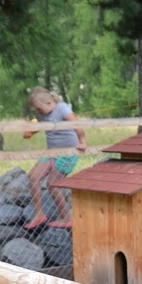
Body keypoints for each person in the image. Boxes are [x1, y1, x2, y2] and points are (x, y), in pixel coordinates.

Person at [23, 86, 87, 229]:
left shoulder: (62, 108)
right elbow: (40, 125)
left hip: (68, 152)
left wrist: (82, 142)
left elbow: (77, 125)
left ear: (49, 103)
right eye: (37, 110)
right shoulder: (40, 113)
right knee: (33, 177)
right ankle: (39, 213)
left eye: (39, 109)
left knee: (52, 184)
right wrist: (30, 133)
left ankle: (66, 217)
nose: (38, 112)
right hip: (51, 151)